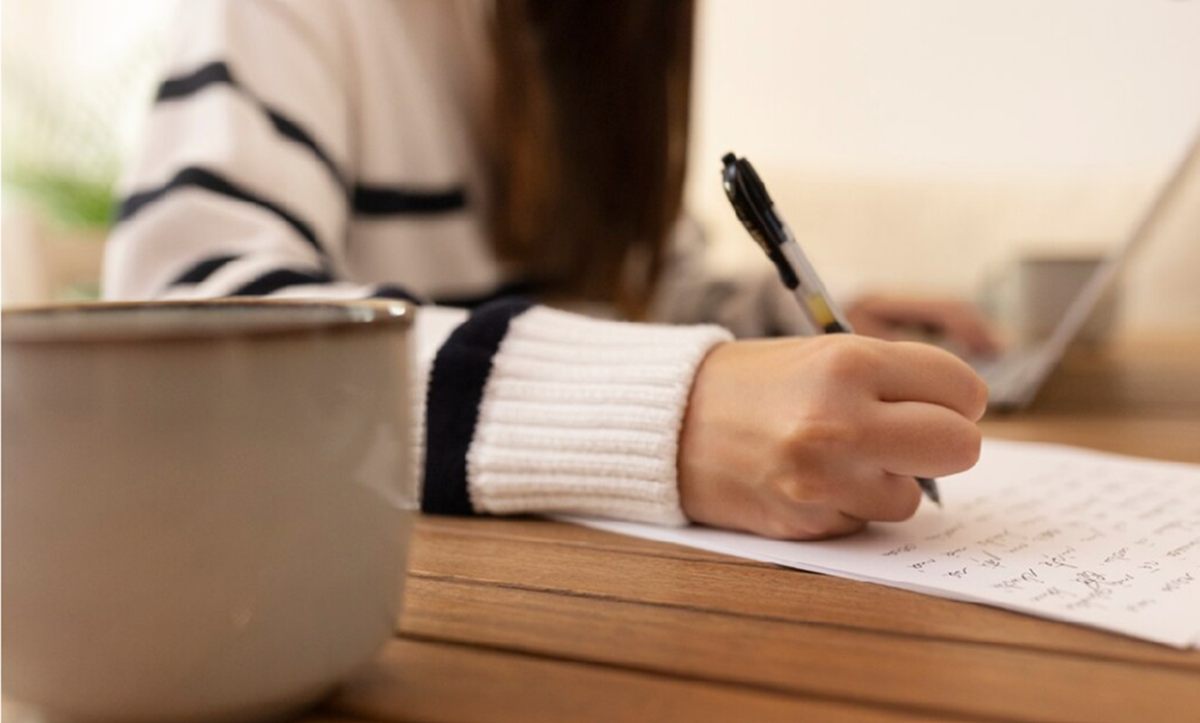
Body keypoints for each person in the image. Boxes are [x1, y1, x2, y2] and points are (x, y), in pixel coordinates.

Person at [103, 0, 992, 540]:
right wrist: (666, 414)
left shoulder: (588, 39)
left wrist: (794, 315)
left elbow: (632, 290)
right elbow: (171, 330)